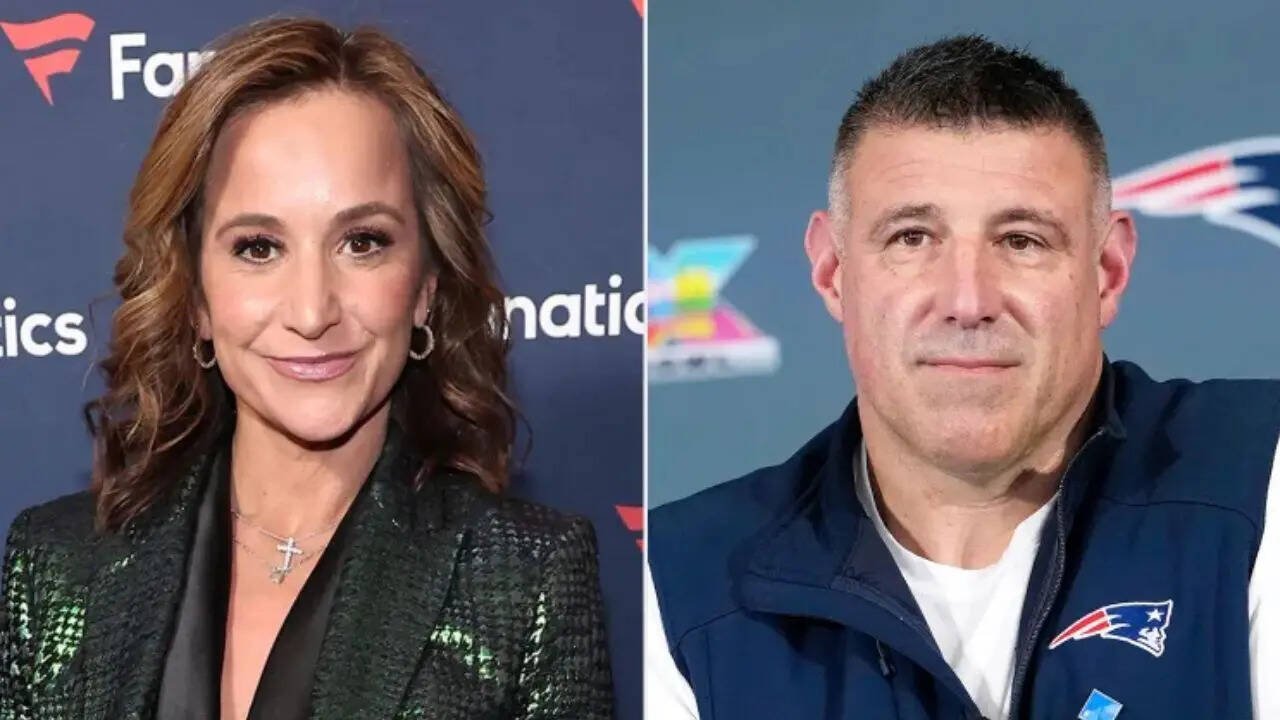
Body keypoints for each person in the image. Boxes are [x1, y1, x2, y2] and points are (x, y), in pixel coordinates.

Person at [646, 35, 1279, 720]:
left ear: (1107, 271)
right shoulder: (681, 585)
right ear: (832, 271)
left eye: (1022, 240)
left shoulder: (1257, 477)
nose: (968, 300)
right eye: (912, 238)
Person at [0, 17, 613, 720]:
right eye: (259, 248)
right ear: (195, 295)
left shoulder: (526, 580)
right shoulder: (57, 567)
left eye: (363, 242)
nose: (313, 311)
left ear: (427, 284)